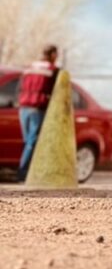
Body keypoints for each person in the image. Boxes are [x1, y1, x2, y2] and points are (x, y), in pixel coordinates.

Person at [17, 44, 60, 182]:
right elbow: (58, 91)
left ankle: (25, 171)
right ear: (52, 55)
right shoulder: (53, 70)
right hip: (37, 108)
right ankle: (23, 173)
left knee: (27, 142)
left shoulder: (29, 68)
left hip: (23, 107)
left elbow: (19, 86)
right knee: (31, 142)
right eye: (56, 54)